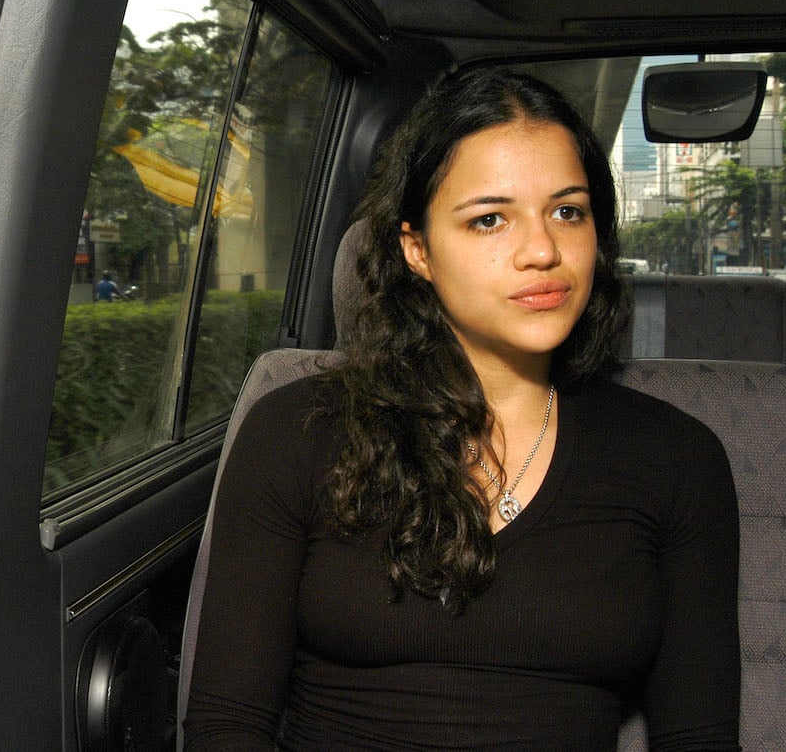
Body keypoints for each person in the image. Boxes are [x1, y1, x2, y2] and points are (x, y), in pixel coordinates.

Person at [183, 68, 739, 750]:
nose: (543, 251)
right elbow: (226, 727)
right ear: (417, 250)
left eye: (569, 210)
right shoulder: (296, 432)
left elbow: (700, 740)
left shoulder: (677, 459)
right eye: (489, 219)